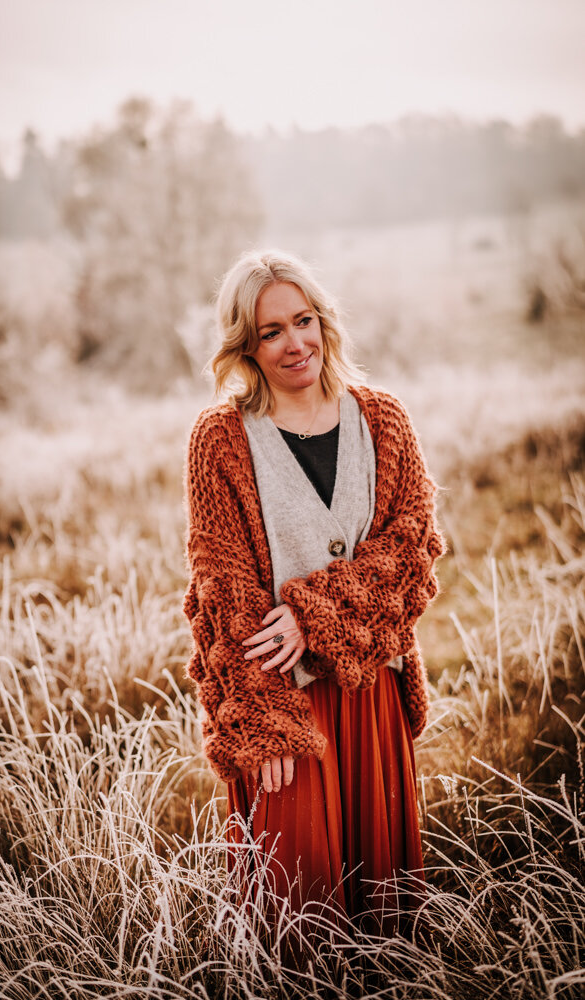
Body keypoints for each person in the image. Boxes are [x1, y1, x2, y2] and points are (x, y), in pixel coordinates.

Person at [183, 248, 446, 936]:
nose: (294, 342)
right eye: (271, 332)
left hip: (370, 696)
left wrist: (312, 613)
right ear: (246, 345)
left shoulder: (381, 419)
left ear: (324, 322)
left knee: (384, 918)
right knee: (297, 919)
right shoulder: (220, 439)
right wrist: (260, 717)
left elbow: (411, 551)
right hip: (280, 703)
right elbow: (223, 590)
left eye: (303, 321)